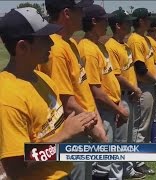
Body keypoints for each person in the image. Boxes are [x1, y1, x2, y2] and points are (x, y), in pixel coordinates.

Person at [0, 7, 97, 180]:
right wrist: (64, 134)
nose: (52, 43)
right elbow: (16, 167)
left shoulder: (44, 79)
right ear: (23, 47)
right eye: (44, 39)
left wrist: (77, 124)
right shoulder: (8, 97)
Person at [37, 0, 108, 179]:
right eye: (80, 10)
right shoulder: (56, 48)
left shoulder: (71, 44)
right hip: (72, 131)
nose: (83, 14)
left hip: (85, 123)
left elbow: (82, 90)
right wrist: (95, 128)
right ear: (67, 13)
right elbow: (66, 102)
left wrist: (96, 119)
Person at [78, 5, 131, 179]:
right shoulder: (88, 49)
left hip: (111, 107)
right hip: (103, 110)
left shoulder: (98, 46)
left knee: (108, 156)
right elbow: (95, 90)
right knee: (102, 161)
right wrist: (118, 110)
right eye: (104, 20)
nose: (107, 24)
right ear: (94, 22)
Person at [106, 9, 146, 179]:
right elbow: (117, 76)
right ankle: (117, 175)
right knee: (120, 141)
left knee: (128, 138)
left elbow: (129, 72)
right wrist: (134, 88)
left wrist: (135, 89)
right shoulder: (110, 46)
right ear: (118, 25)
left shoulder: (125, 45)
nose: (130, 25)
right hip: (121, 96)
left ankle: (128, 170)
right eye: (127, 22)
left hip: (131, 95)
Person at [127, 7, 156, 175]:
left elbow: (152, 63)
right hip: (143, 87)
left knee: (145, 125)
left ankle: (139, 158)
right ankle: (136, 161)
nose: (150, 21)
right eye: (147, 19)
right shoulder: (135, 40)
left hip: (151, 86)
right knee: (140, 126)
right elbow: (140, 69)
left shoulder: (145, 39)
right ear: (141, 21)